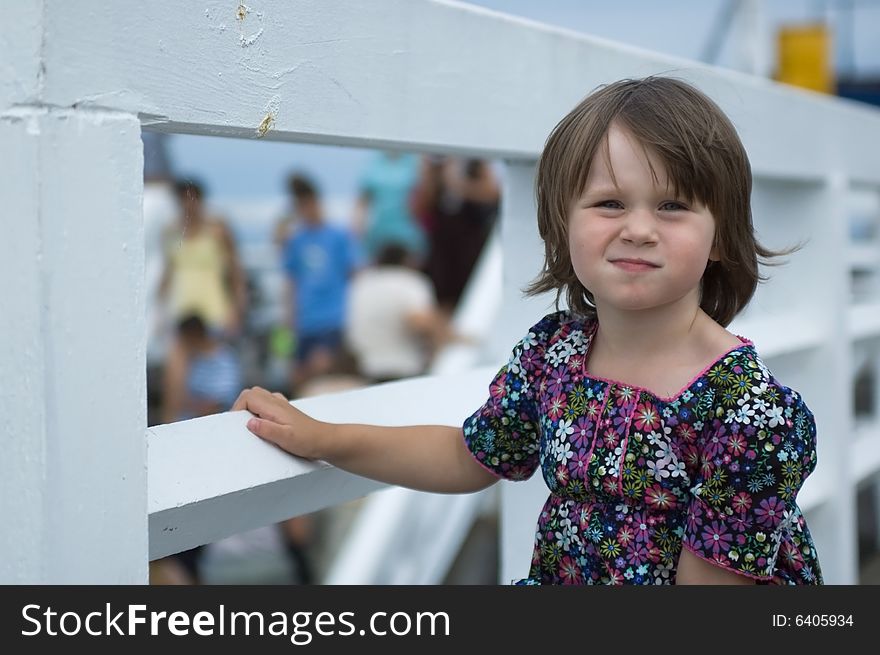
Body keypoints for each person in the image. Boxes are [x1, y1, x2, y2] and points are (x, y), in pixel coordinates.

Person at [232, 77, 823, 585]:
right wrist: (325, 438)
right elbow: (466, 456)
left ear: (721, 236)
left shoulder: (748, 414)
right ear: (561, 223)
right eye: (610, 204)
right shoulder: (556, 353)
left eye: (672, 206)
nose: (639, 228)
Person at [280, 173, 362, 394]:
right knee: (297, 377)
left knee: (321, 369)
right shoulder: (295, 240)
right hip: (304, 322)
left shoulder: (338, 235)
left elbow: (353, 273)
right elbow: (291, 284)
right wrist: (289, 322)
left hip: (332, 319)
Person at [345, 242, 450, 383]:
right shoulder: (410, 281)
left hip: (369, 369)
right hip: (406, 369)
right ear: (407, 261)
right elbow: (419, 322)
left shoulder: (361, 283)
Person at [158, 179, 248, 340]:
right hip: (183, 313)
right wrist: (159, 312)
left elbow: (235, 272)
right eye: (183, 199)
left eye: (192, 198)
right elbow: (168, 274)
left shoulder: (217, 231)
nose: (188, 205)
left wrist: (236, 309)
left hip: (215, 313)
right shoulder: (171, 234)